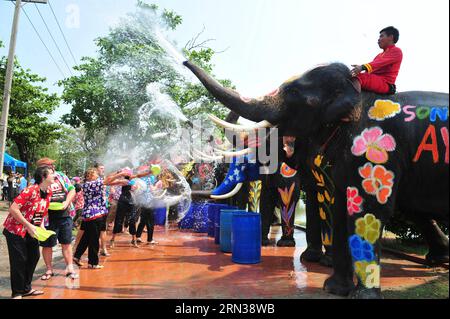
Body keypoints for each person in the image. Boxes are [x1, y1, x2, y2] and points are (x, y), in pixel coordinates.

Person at [2, 166, 54, 299]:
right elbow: (13, 209)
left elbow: (41, 212)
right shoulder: (30, 190)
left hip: (31, 230)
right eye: (52, 174)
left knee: (34, 257)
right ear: (43, 177)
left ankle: (26, 288)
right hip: (15, 230)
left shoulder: (48, 192)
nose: (55, 176)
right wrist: (28, 225)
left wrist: (41, 227)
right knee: (19, 261)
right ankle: (17, 293)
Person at [73, 168, 125, 269]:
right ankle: (93, 263)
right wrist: (120, 174)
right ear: (89, 176)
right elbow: (107, 180)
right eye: (95, 173)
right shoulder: (91, 184)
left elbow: (108, 180)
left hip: (89, 215)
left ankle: (77, 256)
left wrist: (118, 176)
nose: (97, 175)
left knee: (86, 238)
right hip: (94, 214)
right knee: (94, 240)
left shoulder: (89, 183)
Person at [36, 158, 78, 281]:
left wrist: (66, 202)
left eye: (50, 165)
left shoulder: (61, 176)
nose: (51, 167)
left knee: (66, 242)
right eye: (47, 166)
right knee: (47, 244)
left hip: (65, 214)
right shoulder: (37, 179)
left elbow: (72, 190)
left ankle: (70, 267)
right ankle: (49, 269)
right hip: (48, 217)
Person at [351, 26, 403, 94]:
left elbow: (378, 63)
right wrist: (355, 72)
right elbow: (372, 69)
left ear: (391, 37)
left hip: (386, 83)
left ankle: (354, 103)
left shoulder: (396, 51)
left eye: (381, 36)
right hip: (376, 80)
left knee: (359, 77)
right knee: (352, 76)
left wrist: (362, 67)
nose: (378, 39)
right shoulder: (379, 55)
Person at [110, 167, 152, 248]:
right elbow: (111, 180)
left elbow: (139, 175)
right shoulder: (121, 179)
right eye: (126, 172)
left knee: (132, 220)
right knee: (119, 220)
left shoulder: (130, 178)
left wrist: (149, 172)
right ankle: (112, 239)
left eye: (128, 172)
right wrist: (117, 173)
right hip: (123, 201)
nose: (128, 173)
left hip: (132, 201)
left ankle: (134, 240)